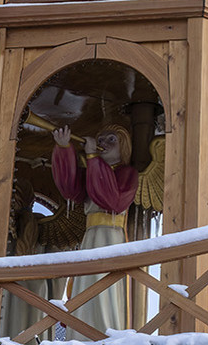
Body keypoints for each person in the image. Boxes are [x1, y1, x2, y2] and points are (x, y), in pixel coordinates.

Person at [51, 124, 139, 338]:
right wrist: (64, 148)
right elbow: (70, 188)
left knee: (105, 286)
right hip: (91, 236)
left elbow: (113, 200)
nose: (103, 144)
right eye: (100, 139)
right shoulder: (93, 169)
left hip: (111, 237)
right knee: (86, 283)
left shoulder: (128, 174)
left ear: (124, 148)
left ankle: (105, 330)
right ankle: (79, 333)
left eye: (111, 140)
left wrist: (92, 156)